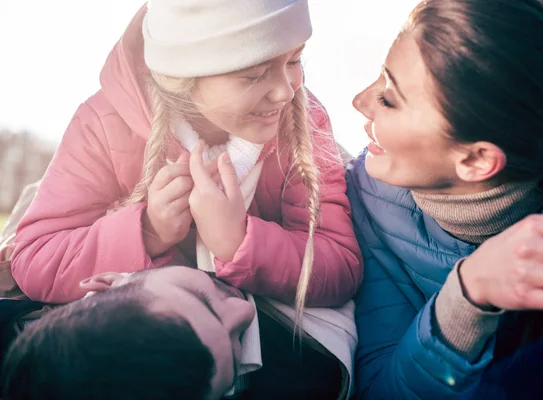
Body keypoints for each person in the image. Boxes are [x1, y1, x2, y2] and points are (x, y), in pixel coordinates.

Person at [10, 0, 362, 323]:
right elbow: (37, 259)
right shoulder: (104, 123)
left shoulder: (303, 122)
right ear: (182, 77)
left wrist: (238, 241)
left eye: (294, 60)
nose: (286, 90)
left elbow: (340, 264)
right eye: (254, 74)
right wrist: (148, 230)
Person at [346, 0, 543, 398]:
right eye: (380, 77)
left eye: (389, 98)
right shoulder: (361, 205)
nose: (360, 100)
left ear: (477, 160)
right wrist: (467, 297)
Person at [1, 265, 352, 400]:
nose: (243, 310)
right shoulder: (313, 379)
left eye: (201, 297)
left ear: (109, 283)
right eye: (235, 353)